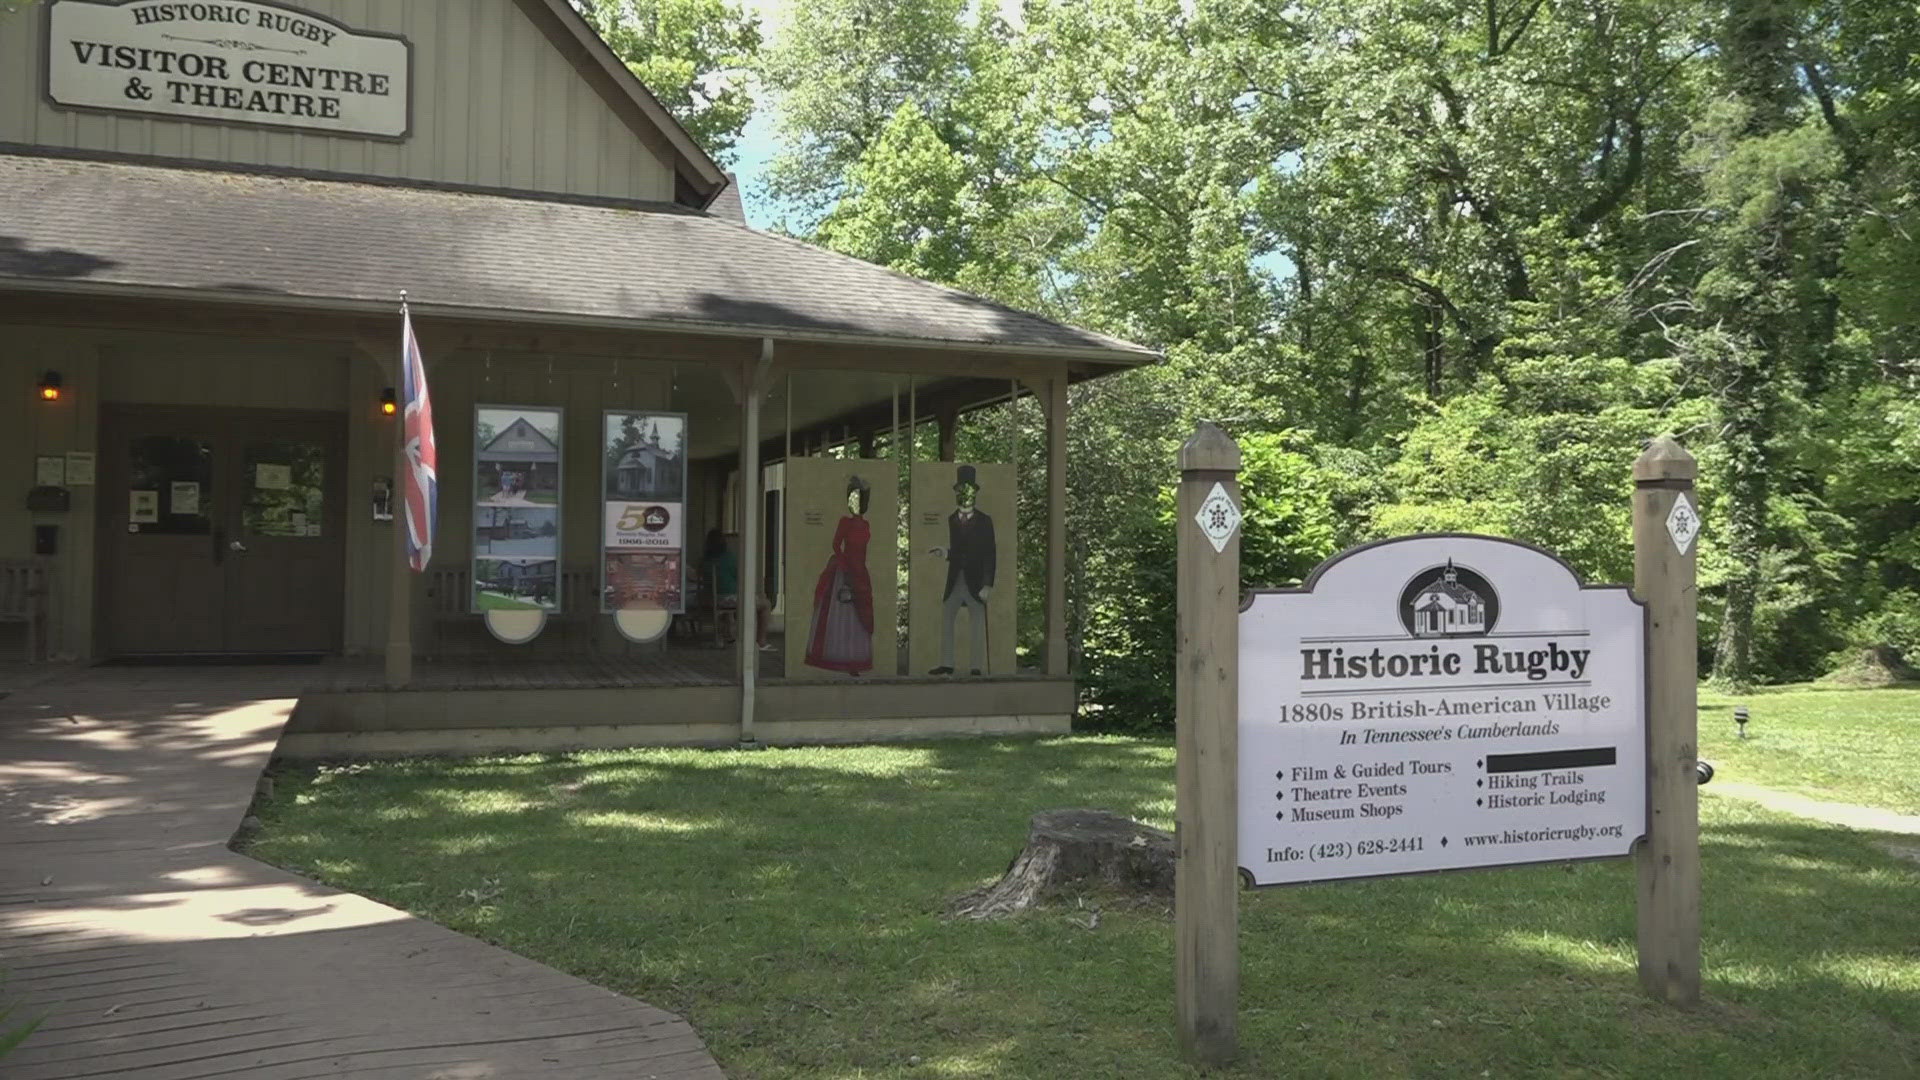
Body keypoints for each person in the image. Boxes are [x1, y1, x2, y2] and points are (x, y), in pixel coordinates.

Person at [928, 464, 995, 675]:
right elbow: (959, 551)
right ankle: (947, 663)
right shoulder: (952, 520)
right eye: (961, 490)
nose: (965, 495)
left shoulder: (985, 521)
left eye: (969, 490)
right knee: (947, 617)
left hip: (975, 581)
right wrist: (946, 553)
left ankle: (976, 666)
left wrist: (987, 584)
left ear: (974, 493)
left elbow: (989, 554)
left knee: (977, 623)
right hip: (955, 579)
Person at [805, 476, 875, 675]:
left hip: (860, 571)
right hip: (844, 568)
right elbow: (836, 544)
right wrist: (844, 565)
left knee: (858, 615)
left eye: (858, 498)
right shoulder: (844, 522)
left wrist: (859, 571)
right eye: (851, 498)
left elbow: (864, 551)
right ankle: (836, 657)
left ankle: (854, 658)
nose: (854, 502)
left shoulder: (867, 525)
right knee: (841, 613)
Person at [704, 528, 771, 650]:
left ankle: (728, 636)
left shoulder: (705, 560)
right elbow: (742, 577)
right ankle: (761, 641)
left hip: (712, 599)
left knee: (729, 612)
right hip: (731, 598)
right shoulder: (730, 557)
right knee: (765, 604)